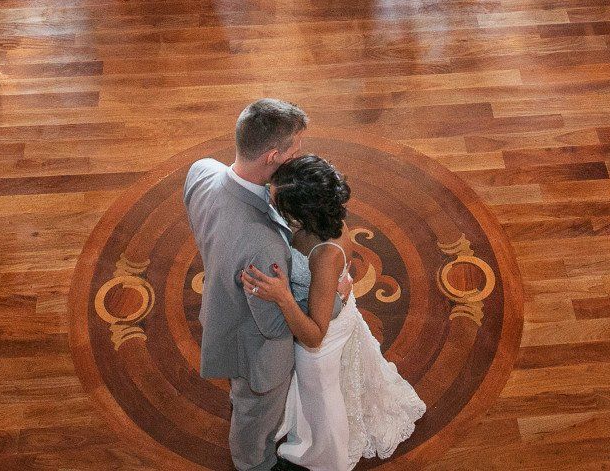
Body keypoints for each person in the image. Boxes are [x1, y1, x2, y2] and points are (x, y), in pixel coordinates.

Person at [238, 154, 427, 469]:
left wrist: (283, 297)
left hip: (322, 340)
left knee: (322, 400)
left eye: (275, 200)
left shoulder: (325, 255)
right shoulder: (321, 219)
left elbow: (314, 336)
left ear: (299, 216)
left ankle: (327, 457)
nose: (269, 200)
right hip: (330, 305)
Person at [182, 98, 309, 471]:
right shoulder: (262, 245)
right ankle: (254, 463)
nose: (298, 157)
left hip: (220, 307)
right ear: (272, 156)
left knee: (242, 399)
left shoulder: (202, 170)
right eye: (294, 152)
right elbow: (274, 325)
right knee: (255, 416)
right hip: (257, 354)